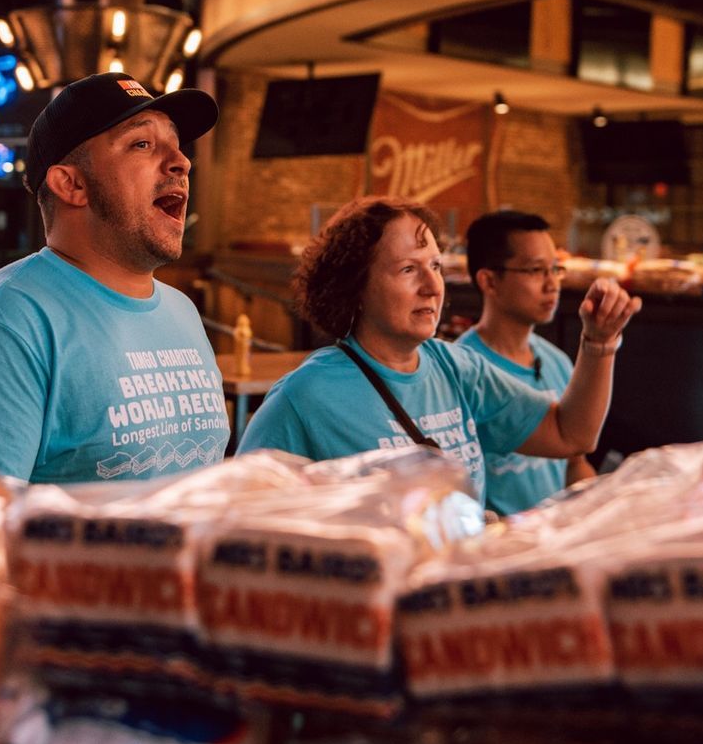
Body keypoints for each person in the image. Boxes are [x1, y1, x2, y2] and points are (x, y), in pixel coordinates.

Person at [0, 72, 227, 483]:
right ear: (72, 184)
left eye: (176, 145)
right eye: (142, 144)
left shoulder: (182, 311)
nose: (182, 161)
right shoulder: (2, 325)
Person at [237, 197, 638, 507]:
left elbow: (572, 434)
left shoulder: (456, 367)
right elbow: (238, 510)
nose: (433, 286)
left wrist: (600, 343)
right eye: (409, 269)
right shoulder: (307, 396)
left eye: (436, 266)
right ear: (355, 287)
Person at [457, 210, 593, 516]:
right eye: (535, 270)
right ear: (489, 281)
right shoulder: (462, 370)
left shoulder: (557, 361)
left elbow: (576, 463)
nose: (552, 284)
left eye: (555, 269)